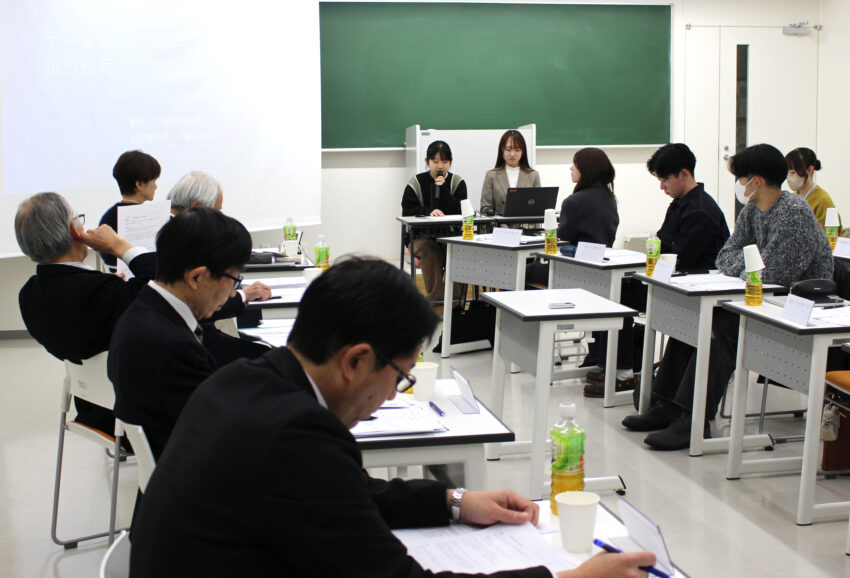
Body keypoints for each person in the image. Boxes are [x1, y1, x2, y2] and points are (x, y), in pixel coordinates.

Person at [129, 257, 654, 577]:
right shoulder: (297, 434)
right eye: (400, 376)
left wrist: (455, 501)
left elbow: (346, 495)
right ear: (356, 361)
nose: (391, 395)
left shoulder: (243, 379)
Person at [622, 143, 833, 450]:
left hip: (798, 307)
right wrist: (749, 267)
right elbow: (726, 256)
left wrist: (748, 267)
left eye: (741, 178)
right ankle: (665, 404)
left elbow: (774, 273)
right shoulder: (752, 211)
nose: (739, 185)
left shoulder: (793, 213)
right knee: (697, 319)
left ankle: (693, 419)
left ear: (756, 181)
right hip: (763, 298)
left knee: (722, 328)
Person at [585, 144, 730, 397]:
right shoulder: (680, 203)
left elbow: (681, 259)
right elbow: (662, 244)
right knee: (612, 289)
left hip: (691, 290)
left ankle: (623, 372)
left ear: (684, 174)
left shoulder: (700, 210)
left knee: (617, 295)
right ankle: (609, 362)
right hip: (672, 281)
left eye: (665, 180)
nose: (662, 187)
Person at [108, 207, 253, 459]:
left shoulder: (141, 312)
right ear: (196, 277)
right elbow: (219, 435)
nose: (233, 292)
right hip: (191, 471)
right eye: (233, 279)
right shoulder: (174, 347)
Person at [16, 192, 156, 434]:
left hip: (94, 411)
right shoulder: (102, 292)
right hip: (138, 418)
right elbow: (165, 284)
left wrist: (109, 286)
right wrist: (118, 246)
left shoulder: (28, 294)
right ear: (74, 229)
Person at [165, 170, 273, 364]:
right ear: (197, 208)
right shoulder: (185, 241)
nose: (219, 218)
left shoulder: (166, 231)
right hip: (197, 341)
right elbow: (201, 303)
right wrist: (242, 295)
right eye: (218, 211)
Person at [401, 140, 468, 302]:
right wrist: (427, 212)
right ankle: (436, 301)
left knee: (457, 250)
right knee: (430, 250)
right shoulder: (416, 183)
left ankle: (456, 302)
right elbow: (407, 211)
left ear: (450, 162)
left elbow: (461, 211)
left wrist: (443, 189)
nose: (440, 166)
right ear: (427, 161)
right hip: (420, 236)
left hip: (450, 235)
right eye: (435, 161)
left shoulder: (457, 183)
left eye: (445, 162)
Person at [98, 150, 161, 269]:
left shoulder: (107, 217)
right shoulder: (150, 218)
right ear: (139, 185)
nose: (156, 186)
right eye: (154, 181)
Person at [480, 130, 541, 216]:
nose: (512, 154)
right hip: (499, 224)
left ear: (522, 151)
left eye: (517, 150)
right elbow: (485, 208)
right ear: (502, 150)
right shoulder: (491, 175)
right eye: (508, 150)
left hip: (526, 224)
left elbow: (537, 207)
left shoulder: (533, 175)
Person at [785, 147, 840, 231]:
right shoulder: (792, 198)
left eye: (793, 172)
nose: (789, 178)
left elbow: (830, 234)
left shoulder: (823, 201)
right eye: (787, 173)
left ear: (809, 170)